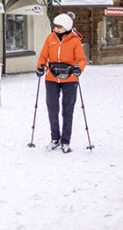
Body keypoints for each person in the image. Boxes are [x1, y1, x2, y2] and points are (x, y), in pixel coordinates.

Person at [36, 12, 86, 153]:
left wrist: (78, 69)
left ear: (67, 27)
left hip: (70, 79)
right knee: (52, 109)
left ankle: (65, 141)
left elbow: (81, 59)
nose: (56, 28)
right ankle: (54, 139)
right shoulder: (50, 38)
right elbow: (43, 56)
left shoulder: (75, 40)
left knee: (67, 110)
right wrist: (40, 67)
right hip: (51, 77)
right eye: (55, 25)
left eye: (59, 26)